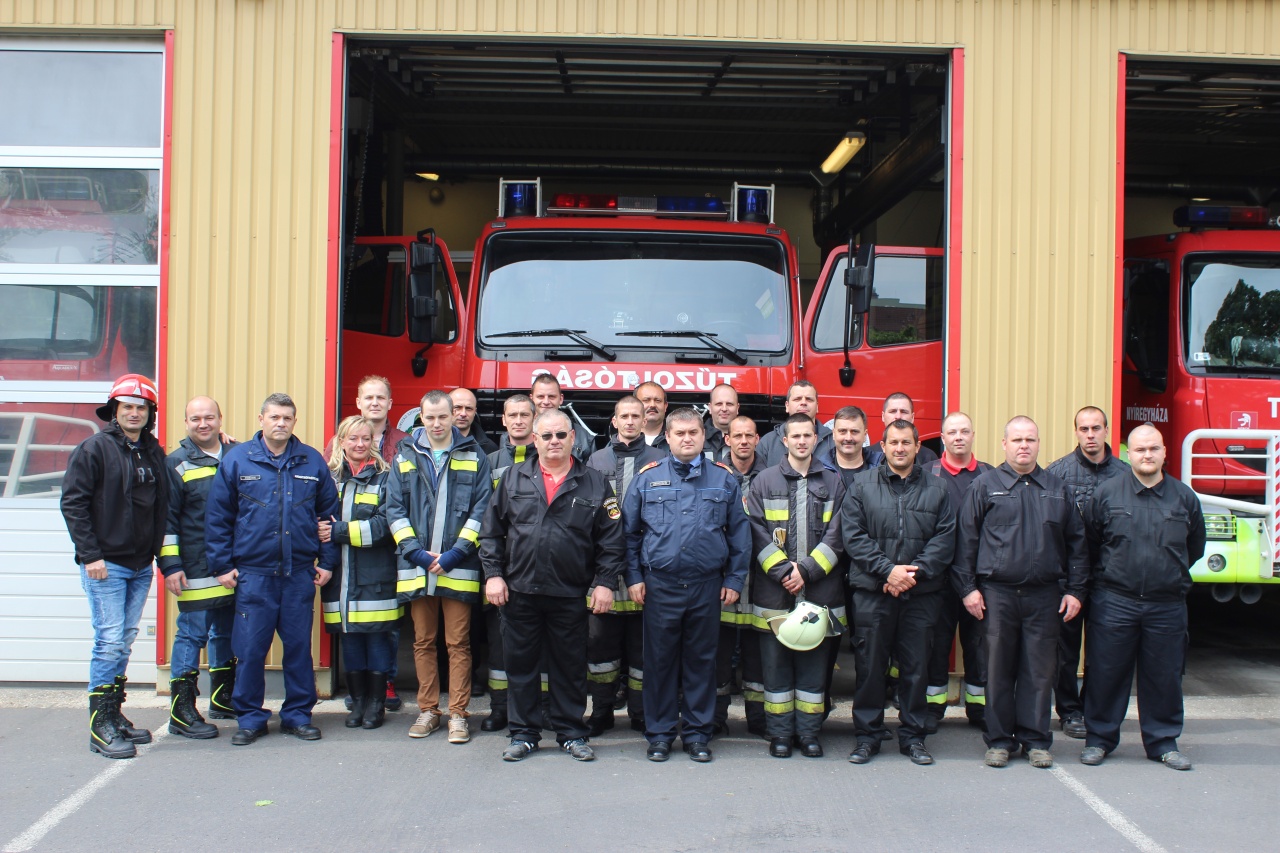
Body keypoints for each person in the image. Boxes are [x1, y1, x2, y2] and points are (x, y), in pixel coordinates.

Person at [479, 409, 626, 762]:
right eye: (546, 436)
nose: (554, 442)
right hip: (520, 591)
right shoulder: (513, 478)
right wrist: (494, 574)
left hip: (569, 593)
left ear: (573, 437)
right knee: (521, 665)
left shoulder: (593, 481)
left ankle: (571, 733)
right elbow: (491, 532)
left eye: (560, 435)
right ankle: (524, 733)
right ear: (535, 439)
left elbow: (611, 540)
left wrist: (605, 583)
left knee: (570, 666)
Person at [953, 416, 1089, 769]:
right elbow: (965, 541)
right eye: (1016, 440)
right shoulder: (985, 486)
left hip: (1045, 595)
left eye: (1030, 439)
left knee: (1040, 671)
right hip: (997, 594)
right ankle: (999, 740)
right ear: (1004, 444)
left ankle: (1036, 740)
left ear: (1039, 443)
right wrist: (968, 589)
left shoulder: (1057, 489)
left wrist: (1075, 591)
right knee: (997, 669)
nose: (1023, 446)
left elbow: (1077, 545)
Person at [206, 393, 340, 745]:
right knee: (250, 650)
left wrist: (326, 563)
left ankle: (298, 715)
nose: (280, 423)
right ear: (261, 419)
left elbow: (329, 517)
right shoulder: (238, 461)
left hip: (298, 574)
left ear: (295, 422)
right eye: (274, 417)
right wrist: (222, 565)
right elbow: (218, 518)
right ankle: (250, 718)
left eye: (287, 418)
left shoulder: (311, 462)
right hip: (254, 575)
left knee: (298, 648)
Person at [623, 409, 750, 763]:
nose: (687, 438)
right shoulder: (648, 479)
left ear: (702, 435)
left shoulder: (723, 480)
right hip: (659, 585)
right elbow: (630, 534)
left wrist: (735, 579)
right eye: (679, 433)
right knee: (660, 663)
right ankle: (660, 735)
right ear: (666, 436)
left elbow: (740, 536)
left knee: (700, 663)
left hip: (706, 586)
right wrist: (633, 577)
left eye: (693, 432)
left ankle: (697, 734)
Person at [1080, 425, 1205, 771]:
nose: (1147, 455)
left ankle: (1163, 742)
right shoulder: (1107, 494)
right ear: (1128, 454)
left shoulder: (1184, 498)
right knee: (1106, 673)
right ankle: (1099, 740)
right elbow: (1090, 544)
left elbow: (1194, 547)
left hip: (1166, 605)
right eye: (1139, 450)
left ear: (1164, 452)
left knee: (1164, 675)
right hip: (1115, 600)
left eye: (1153, 449)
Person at [61, 374, 169, 759]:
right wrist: (91, 555)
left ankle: (115, 714)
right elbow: (73, 504)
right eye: (128, 407)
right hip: (106, 565)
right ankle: (99, 725)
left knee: (123, 638)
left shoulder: (153, 452)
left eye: (142, 407)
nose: (135, 413)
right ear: (115, 410)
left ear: (149, 413)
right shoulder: (93, 450)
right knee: (108, 641)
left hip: (140, 564)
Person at [842, 419, 956, 766]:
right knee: (870, 667)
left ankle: (913, 737)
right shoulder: (861, 486)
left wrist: (911, 575)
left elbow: (945, 539)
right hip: (874, 593)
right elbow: (854, 537)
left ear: (917, 446)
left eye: (907, 442)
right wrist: (887, 571)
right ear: (883, 445)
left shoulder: (939, 490)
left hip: (920, 596)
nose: (900, 448)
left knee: (916, 669)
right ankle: (867, 736)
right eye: (893, 442)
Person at [389, 390, 493, 744]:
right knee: (423, 641)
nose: (436, 423)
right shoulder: (404, 454)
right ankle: (428, 710)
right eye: (429, 417)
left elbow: (482, 509)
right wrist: (415, 553)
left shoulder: (474, 454)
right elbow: (394, 509)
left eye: (442, 417)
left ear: (454, 417)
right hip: (416, 564)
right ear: (421, 416)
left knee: (458, 643)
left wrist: (454, 554)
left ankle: (459, 714)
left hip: (458, 566)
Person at [746, 414, 846, 759]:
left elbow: (840, 534)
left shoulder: (833, 483)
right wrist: (782, 572)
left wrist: (807, 571)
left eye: (808, 436)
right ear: (784, 441)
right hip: (775, 593)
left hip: (819, 592)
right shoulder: (763, 481)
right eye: (795, 436)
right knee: (775, 672)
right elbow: (755, 531)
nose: (802, 441)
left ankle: (809, 734)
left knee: (813, 673)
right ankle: (779, 735)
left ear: (817, 439)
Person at [584, 395, 666, 735]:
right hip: (602, 570)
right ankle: (601, 711)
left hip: (646, 569)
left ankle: (640, 713)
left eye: (637, 415)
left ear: (646, 420)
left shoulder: (660, 459)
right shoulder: (596, 459)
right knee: (601, 651)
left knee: (643, 652)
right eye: (624, 416)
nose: (631, 421)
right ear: (614, 422)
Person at [326, 374, 408, 712]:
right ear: (341, 441)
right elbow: (317, 521)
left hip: (377, 569)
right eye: (352, 438)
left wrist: (340, 531)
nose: (359, 443)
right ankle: (359, 699)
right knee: (351, 636)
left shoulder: (396, 456)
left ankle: (380, 692)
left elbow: (387, 522)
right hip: (342, 574)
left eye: (365, 439)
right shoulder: (328, 474)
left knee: (380, 632)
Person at [1046, 406, 1129, 739]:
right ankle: (1069, 711)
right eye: (1084, 429)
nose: (1090, 435)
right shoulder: (1059, 474)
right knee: (1065, 651)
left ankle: (1095, 709)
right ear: (1076, 432)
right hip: (1067, 580)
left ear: (1107, 430)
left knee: (1103, 651)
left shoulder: (1126, 475)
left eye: (1096, 428)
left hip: (1110, 581)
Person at [160, 396, 237, 740]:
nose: (202, 424)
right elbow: (166, 519)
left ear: (221, 419)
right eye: (195, 419)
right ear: (186, 423)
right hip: (193, 566)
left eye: (209, 417)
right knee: (192, 634)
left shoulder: (237, 455)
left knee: (225, 633)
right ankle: (182, 710)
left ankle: (222, 698)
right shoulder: (175, 463)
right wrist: (171, 564)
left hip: (231, 564)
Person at [922, 411, 993, 732]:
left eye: (965, 431)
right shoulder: (927, 474)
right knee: (936, 645)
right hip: (937, 580)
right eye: (952, 432)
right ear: (943, 437)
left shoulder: (990, 477)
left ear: (973, 434)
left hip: (979, 582)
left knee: (979, 646)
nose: (959, 437)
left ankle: (979, 709)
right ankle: (933, 708)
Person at [481, 393, 539, 732]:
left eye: (524, 415)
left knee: (540, 648)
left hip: (536, 569)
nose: (518, 420)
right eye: (512, 415)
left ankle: (541, 708)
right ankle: (500, 708)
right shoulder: (489, 462)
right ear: (503, 420)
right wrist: (492, 571)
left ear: (534, 419)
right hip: (500, 571)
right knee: (500, 645)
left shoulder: (548, 459)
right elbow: (486, 521)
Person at [715, 414, 769, 737]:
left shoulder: (773, 476)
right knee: (718, 658)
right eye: (738, 436)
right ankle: (716, 719)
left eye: (750, 435)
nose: (744, 441)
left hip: (762, 580)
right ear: (727, 439)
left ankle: (759, 720)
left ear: (757, 439)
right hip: (724, 580)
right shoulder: (715, 476)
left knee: (757, 659)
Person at [756, 381, 834, 466]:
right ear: (787, 406)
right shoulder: (767, 443)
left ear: (817, 406)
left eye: (809, 399)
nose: (803, 402)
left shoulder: (833, 442)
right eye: (797, 399)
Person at [530, 373, 596, 461]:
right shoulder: (520, 433)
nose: (546, 401)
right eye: (540, 396)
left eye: (551, 396)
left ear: (561, 399)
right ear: (531, 399)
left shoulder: (584, 438)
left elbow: (591, 473)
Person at [867, 393, 939, 466]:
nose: (898, 416)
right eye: (893, 411)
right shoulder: (868, 455)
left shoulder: (928, 457)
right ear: (883, 416)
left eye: (903, 412)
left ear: (912, 417)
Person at [826, 405, 877, 488]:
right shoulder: (819, 470)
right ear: (834, 434)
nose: (848, 438)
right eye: (843, 431)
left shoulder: (880, 470)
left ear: (864, 435)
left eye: (854, 431)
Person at [451, 386, 499, 455]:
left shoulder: (489, 448)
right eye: (457, 407)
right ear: (447, 409)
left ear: (475, 412)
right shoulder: (434, 444)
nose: (463, 414)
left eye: (468, 408)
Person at [703, 383, 739, 459]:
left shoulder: (748, 440)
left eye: (729, 404)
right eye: (719, 404)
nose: (724, 409)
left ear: (737, 408)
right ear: (710, 408)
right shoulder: (697, 438)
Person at [635, 381, 669, 449]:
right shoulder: (622, 441)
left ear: (665, 406)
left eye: (657, 400)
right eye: (646, 400)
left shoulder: (678, 439)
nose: (652, 405)